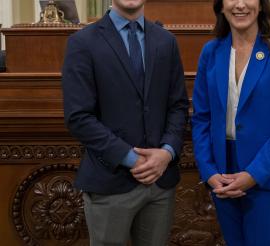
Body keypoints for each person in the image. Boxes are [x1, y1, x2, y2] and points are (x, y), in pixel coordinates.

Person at [61, 0, 189, 244]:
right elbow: (78, 117)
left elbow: (178, 106)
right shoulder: (82, 43)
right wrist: (131, 158)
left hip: (160, 182)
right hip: (110, 180)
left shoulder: (166, 41)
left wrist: (167, 153)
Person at [191, 0, 270, 245]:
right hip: (221, 172)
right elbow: (201, 118)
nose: (240, 4)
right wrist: (209, 171)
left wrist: (254, 173)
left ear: (262, 5)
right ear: (221, 6)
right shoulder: (211, 52)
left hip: (265, 172)